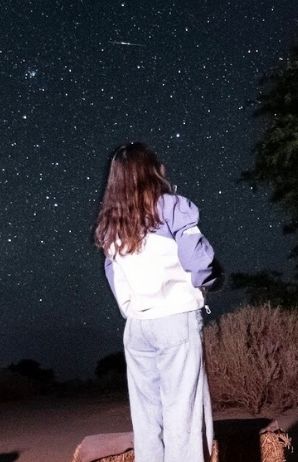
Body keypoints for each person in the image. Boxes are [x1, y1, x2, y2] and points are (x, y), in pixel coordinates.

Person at [95, 142, 223, 462]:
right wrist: (206, 282)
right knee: (184, 414)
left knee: (147, 418)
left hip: (138, 327)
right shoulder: (172, 207)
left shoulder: (112, 224)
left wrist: (132, 307)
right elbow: (198, 258)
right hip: (175, 320)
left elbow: (113, 274)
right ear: (152, 171)